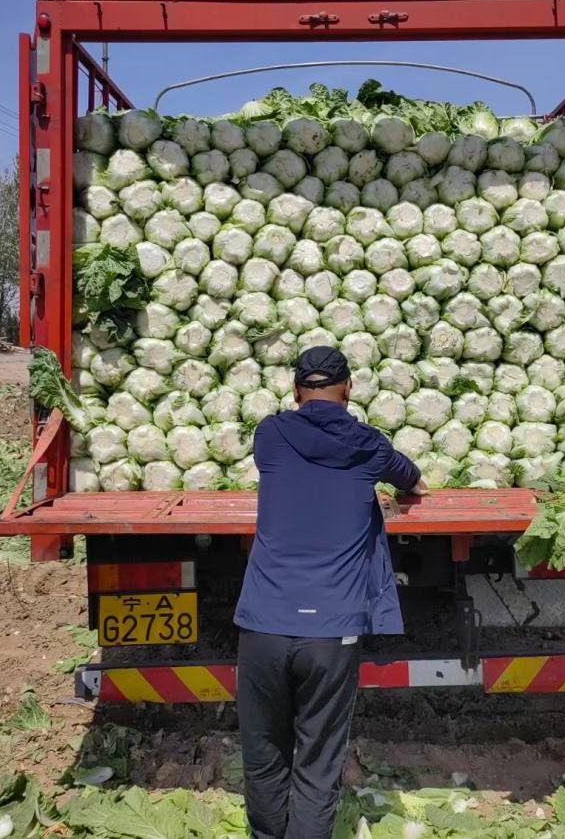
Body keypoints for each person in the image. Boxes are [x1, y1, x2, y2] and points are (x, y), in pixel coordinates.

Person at [234, 346, 428, 839]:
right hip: (331, 633)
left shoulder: (270, 435)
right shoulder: (369, 445)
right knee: (318, 763)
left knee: (263, 754)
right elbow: (412, 480)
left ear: (296, 389)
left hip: (263, 626)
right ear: (349, 388)